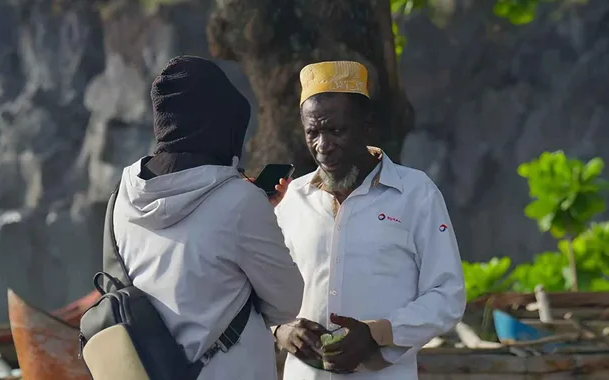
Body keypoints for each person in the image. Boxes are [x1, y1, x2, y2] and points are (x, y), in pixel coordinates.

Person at [112, 55, 304, 380]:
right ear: (221, 125)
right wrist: (255, 210)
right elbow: (286, 302)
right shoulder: (240, 201)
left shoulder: (125, 196)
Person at [273, 61, 466, 380]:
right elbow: (260, 287)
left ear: (367, 125)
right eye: (313, 132)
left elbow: (447, 295)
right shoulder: (292, 199)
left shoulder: (415, 193)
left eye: (336, 130)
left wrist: (378, 333)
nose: (323, 146)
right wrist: (280, 329)